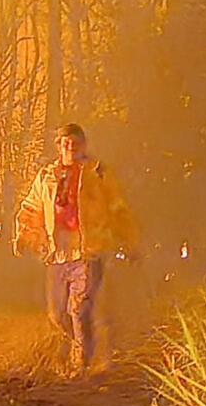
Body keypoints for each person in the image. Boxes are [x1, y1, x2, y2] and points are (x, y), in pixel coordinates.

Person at [11, 122, 138, 374]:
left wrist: (129, 241)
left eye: (75, 142)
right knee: (57, 314)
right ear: (58, 146)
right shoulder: (46, 177)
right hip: (57, 253)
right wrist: (22, 236)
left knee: (79, 308)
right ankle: (83, 346)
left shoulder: (97, 173)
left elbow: (117, 208)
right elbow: (31, 208)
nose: (70, 147)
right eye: (65, 142)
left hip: (88, 251)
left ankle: (82, 363)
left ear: (83, 145)